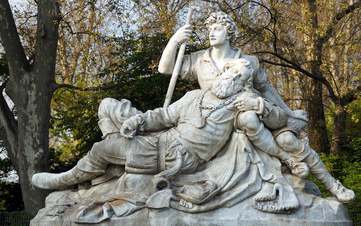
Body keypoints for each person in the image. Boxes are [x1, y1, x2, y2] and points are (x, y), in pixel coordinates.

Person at [155, 11, 354, 203]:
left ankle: (332, 185)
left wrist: (287, 112)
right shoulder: (199, 58)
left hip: (249, 111)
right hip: (211, 121)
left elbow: (266, 89)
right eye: (209, 29)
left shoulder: (249, 61)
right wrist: (175, 40)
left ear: (229, 32)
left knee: (283, 136)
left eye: (216, 28)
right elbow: (165, 68)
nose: (211, 33)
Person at [32, 60, 291, 191]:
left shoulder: (242, 101)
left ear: (244, 83)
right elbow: (163, 116)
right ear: (222, 72)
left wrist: (261, 106)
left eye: (239, 77)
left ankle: (64, 180)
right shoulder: (194, 96)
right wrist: (137, 121)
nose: (232, 78)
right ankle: (109, 168)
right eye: (230, 72)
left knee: (101, 150)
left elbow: (279, 120)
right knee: (110, 108)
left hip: (174, 156)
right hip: (161, 139)